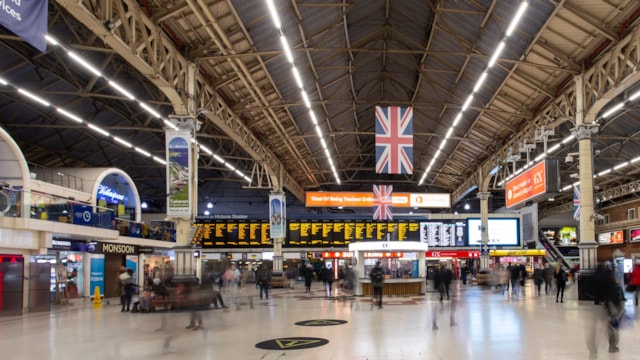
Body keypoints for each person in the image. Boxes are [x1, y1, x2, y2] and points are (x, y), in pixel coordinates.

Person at [587, 264, 624, 354]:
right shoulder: (608, 276)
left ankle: (593, 348)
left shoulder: (594, 277)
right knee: (611, 326)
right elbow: (614, 289)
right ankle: (612, 346)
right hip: (611, 302)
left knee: (594, 327)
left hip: (598, 304)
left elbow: (589, 290)